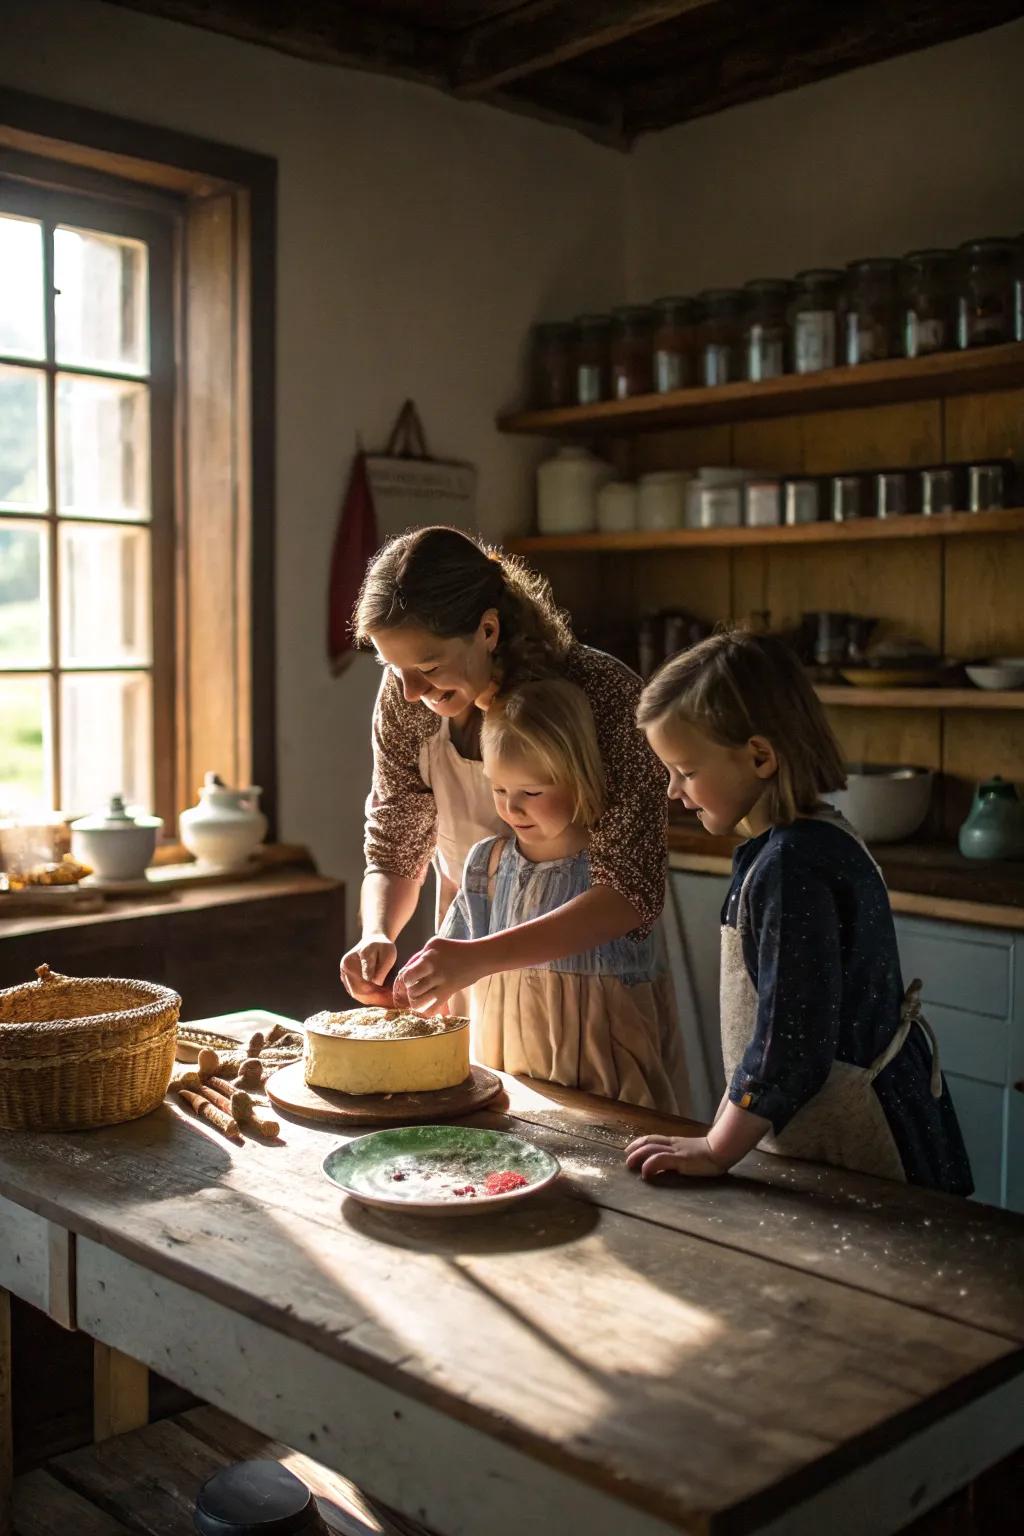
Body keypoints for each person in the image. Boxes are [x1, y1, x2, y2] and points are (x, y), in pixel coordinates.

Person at [625, 629, 972, 1193]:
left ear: (760, 756)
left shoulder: (793, 867)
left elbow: (792, 1044)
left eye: (685, 771)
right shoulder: (801, 841)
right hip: (822, 1131)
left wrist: (717, 1148)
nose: (673, 792)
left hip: (859, 1140)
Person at [340, 526, 673, 1029]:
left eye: (428, 665)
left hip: (591, 997)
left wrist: (478, 957)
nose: (408, 690)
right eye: (393, 667)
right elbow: (395, 842)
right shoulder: (406, 698)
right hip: (467, 978)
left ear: (488, 630)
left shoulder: (601, 696)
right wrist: (378, 932)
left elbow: (629, 892)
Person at [430, 679, 687, 1112]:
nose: (512, 808)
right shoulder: (484, 866)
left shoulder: (616, 880)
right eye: (498, 790)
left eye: (532, 792)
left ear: (581, 780)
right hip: (508, 1085)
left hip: (606, 1093)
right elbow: (451, 967)